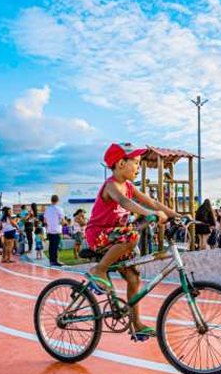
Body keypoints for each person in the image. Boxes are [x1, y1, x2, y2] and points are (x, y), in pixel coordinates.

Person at [84, 142, 179, 341]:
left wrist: (176, 215)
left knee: (134, 278)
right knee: (131, 235)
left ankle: (136, 324)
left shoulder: (128, 186)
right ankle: (99, 269)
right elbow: (126, 203)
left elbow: (152, 202)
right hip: (99, 235)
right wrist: (151, 214)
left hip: (116, 238)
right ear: (120, 164)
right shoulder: (111, 185)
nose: (138, 167)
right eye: (135, 163)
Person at [43, 195, 65, 267]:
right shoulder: (59, 209)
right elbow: (62, 220)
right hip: (56, 230)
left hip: (49, 230)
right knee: (55, 246)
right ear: (57, 200)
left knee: (51, 246)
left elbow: (45, 221)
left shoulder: (47, 209)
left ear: (51, 200)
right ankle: (55, 261)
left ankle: (51, 261)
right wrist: (64, 224)